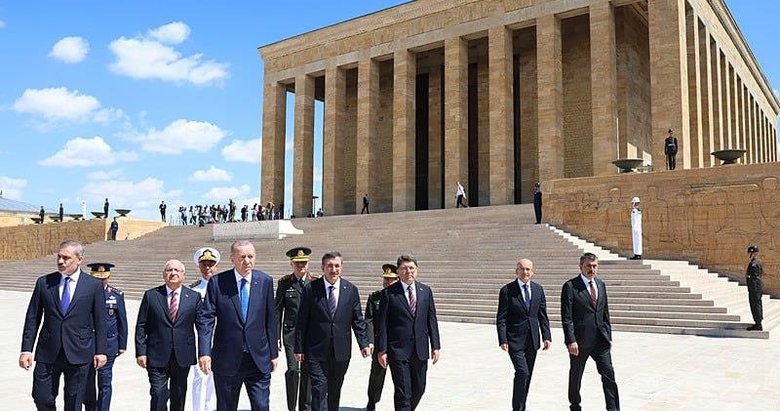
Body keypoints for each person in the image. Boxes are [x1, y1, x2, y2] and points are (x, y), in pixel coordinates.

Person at [19, 240, 108, 411]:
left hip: (79, 352)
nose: (60, 261)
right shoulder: (44, 283)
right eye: (59, 257)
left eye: (66, 258)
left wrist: (101, 351)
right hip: (48, 351)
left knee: (74, 402)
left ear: (79, 259)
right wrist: (26, 349)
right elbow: (32, 317)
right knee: (41, 396)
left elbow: (100, 321)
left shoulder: (93, 285)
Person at [197, 240, 279, 411]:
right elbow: (206, 319)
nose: (247, 261)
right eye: (242, 257)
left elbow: (270, 319)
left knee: (262, 405)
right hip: (227, 359)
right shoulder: (218, 282)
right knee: (226, 407)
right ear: (232, 258)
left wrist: (273, 353)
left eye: (251, 256)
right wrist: (204, 352)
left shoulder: (265, 281)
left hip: (258, 359)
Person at [294, 251, 371, 411]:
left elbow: (357, 320)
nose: (333, 269)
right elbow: (302, 321)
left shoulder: (350, 290)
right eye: (330, 266)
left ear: (341, 267)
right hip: (316, 351)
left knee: (335, 391)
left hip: (341, 352)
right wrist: (299, 348)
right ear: (323, 267)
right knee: (319, 390)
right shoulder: (310, 289)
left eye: (337, 266)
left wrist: (363, 343)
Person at [377, 254, 441, 411]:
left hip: (420, 349)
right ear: (398, 271)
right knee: (403, 392)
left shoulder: (425, 291)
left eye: (411, 268)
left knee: (419, 389)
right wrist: (382, 350)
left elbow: (431, 319)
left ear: (417, 270)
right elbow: (382, 324)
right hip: (398, 350)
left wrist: (436, 345)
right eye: (404, 268)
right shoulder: (389, 293)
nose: (408, 271)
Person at [135, 259, 202, 411]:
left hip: (182, 355)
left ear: (183, 275)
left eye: (177, 270)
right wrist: (141, 352)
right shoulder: (151, 295)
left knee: (178, 396)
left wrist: (205, 352)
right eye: (169, 270)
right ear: (163, 274)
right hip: (157, 354)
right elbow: (141, 325)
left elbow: (202, 326)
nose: (173, 273)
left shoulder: (193, 297)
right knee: (158, 394)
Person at [560, 253, 620, 411]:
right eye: (588, 266)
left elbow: (605, 312)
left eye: (594, 266)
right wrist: (570, 340)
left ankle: (613, 408)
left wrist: (609, 336)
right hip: (580, 342)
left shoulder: (601, 284)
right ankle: (575, 405)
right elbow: (567, 317)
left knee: (609, 375)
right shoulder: (570, 286)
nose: (591, 269)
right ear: (581, 267)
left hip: (601, 340)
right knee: (576, 375)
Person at [496, 258, 551, 411]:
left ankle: (521, 406)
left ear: (533, 272)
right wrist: (503, 339)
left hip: (532, 340)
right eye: (522, 269)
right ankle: (517, 408)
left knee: (527, 376)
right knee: (522, 372)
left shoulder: (538, 289)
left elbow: (542, 315)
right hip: (514, 340)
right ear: (516, 271)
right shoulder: (507, 290)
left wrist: (547, 336)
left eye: (528, 269)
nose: (525, 272)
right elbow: (501, 318)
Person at [276, 247, 316, 411]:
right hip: (291, 334)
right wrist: (275, 336)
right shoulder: (285, 284)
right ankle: (291, 407)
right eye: (298, 263)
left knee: (307, 372)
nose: (301, 266)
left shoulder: (315, 282)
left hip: (311, 335)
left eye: (304, 263)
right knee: (293, 370)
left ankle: (305, 407)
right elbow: (277, 311)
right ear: (291, 264)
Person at [83, 263, 128, 411]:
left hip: (109, 345)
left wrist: (122, 344)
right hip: (88, 345)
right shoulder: (83, 294)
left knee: (105, 382)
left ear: (109, 277)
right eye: (97, 278)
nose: (101, 281)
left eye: (104, 278)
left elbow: (122, 321)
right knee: (87, 382)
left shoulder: (116, 295)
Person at [189, 247, 221, 411]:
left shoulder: (224, 287)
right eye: (204, 264)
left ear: (216, 266)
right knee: (200, 377)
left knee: (216, 379)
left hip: (221, 339)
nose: (208, 267)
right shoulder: (193, 290)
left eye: (211, 264)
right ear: (199, 266)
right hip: (201, 340)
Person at [365, 264, 399, 411]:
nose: (387, 282)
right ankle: (372, 401)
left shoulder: (401, 297)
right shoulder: (375, 297)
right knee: (376, 376)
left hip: (398, 344)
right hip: (380, 344)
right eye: (385, 279)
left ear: (397, 280)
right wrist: (370, 341)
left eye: (390, 279)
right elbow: (369, 321)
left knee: (400, 377)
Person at [746, 245, 763, 331]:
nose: (748, 254)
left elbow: (754, 278)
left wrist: (753, 288)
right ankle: (758, 322)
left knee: (755, 305)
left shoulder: (753, 264)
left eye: (749, 253)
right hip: (757, 287)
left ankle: (758, 324)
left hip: (754, 288)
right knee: (758, 304)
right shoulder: (758, 262)